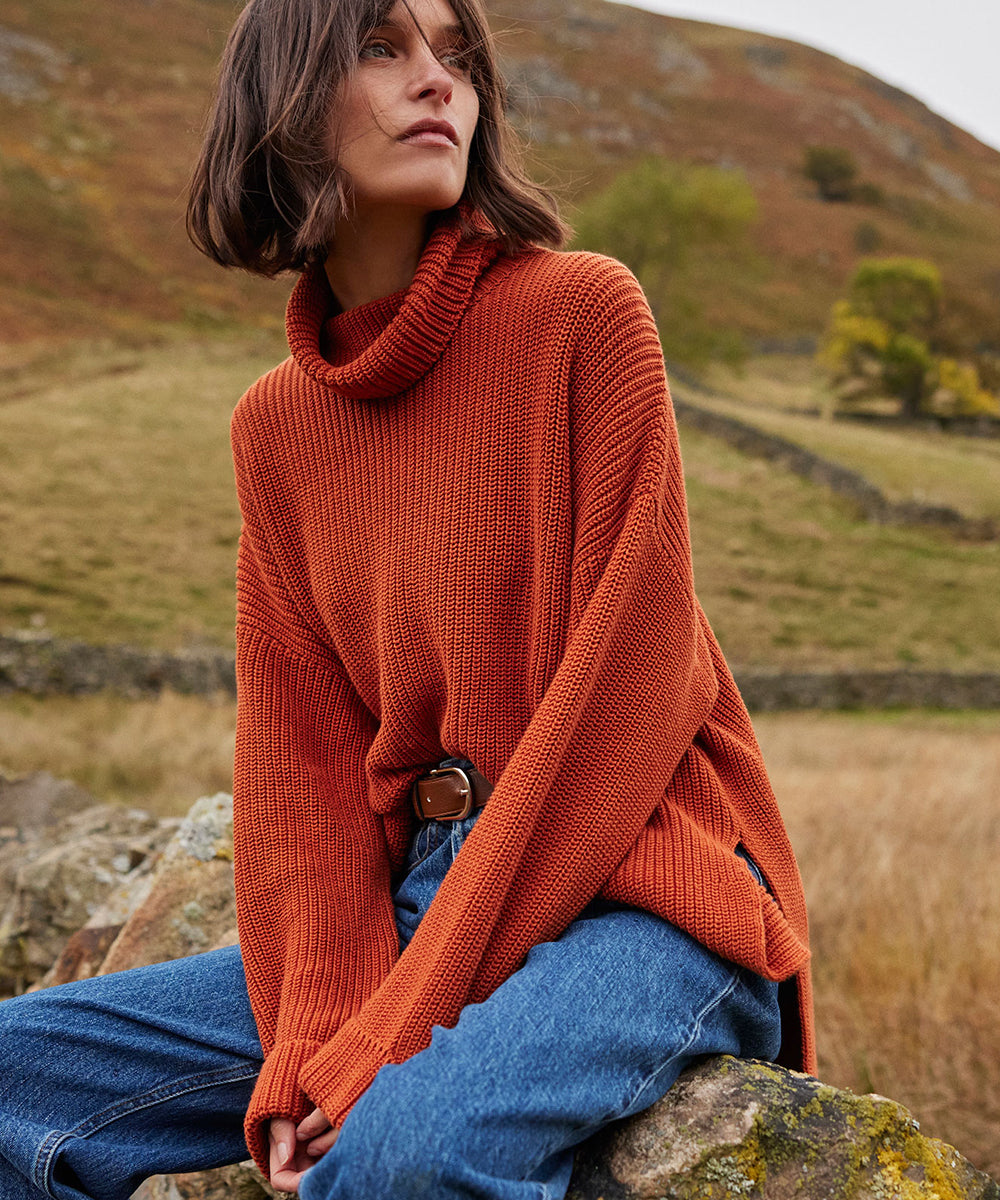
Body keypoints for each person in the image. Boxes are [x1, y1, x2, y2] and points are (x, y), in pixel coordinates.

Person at [0, 0, 814, 1197]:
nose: (438, 80)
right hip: (420, 903)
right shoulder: (274, 430)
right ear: (280, 105)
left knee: (407, 1148)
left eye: (456, 54)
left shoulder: (582, 314)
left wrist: (381, 1041)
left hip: (644, 891)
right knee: (15, 1069)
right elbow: (305, 768)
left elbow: (626, 701)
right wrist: (312, 1040)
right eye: (382, 47)